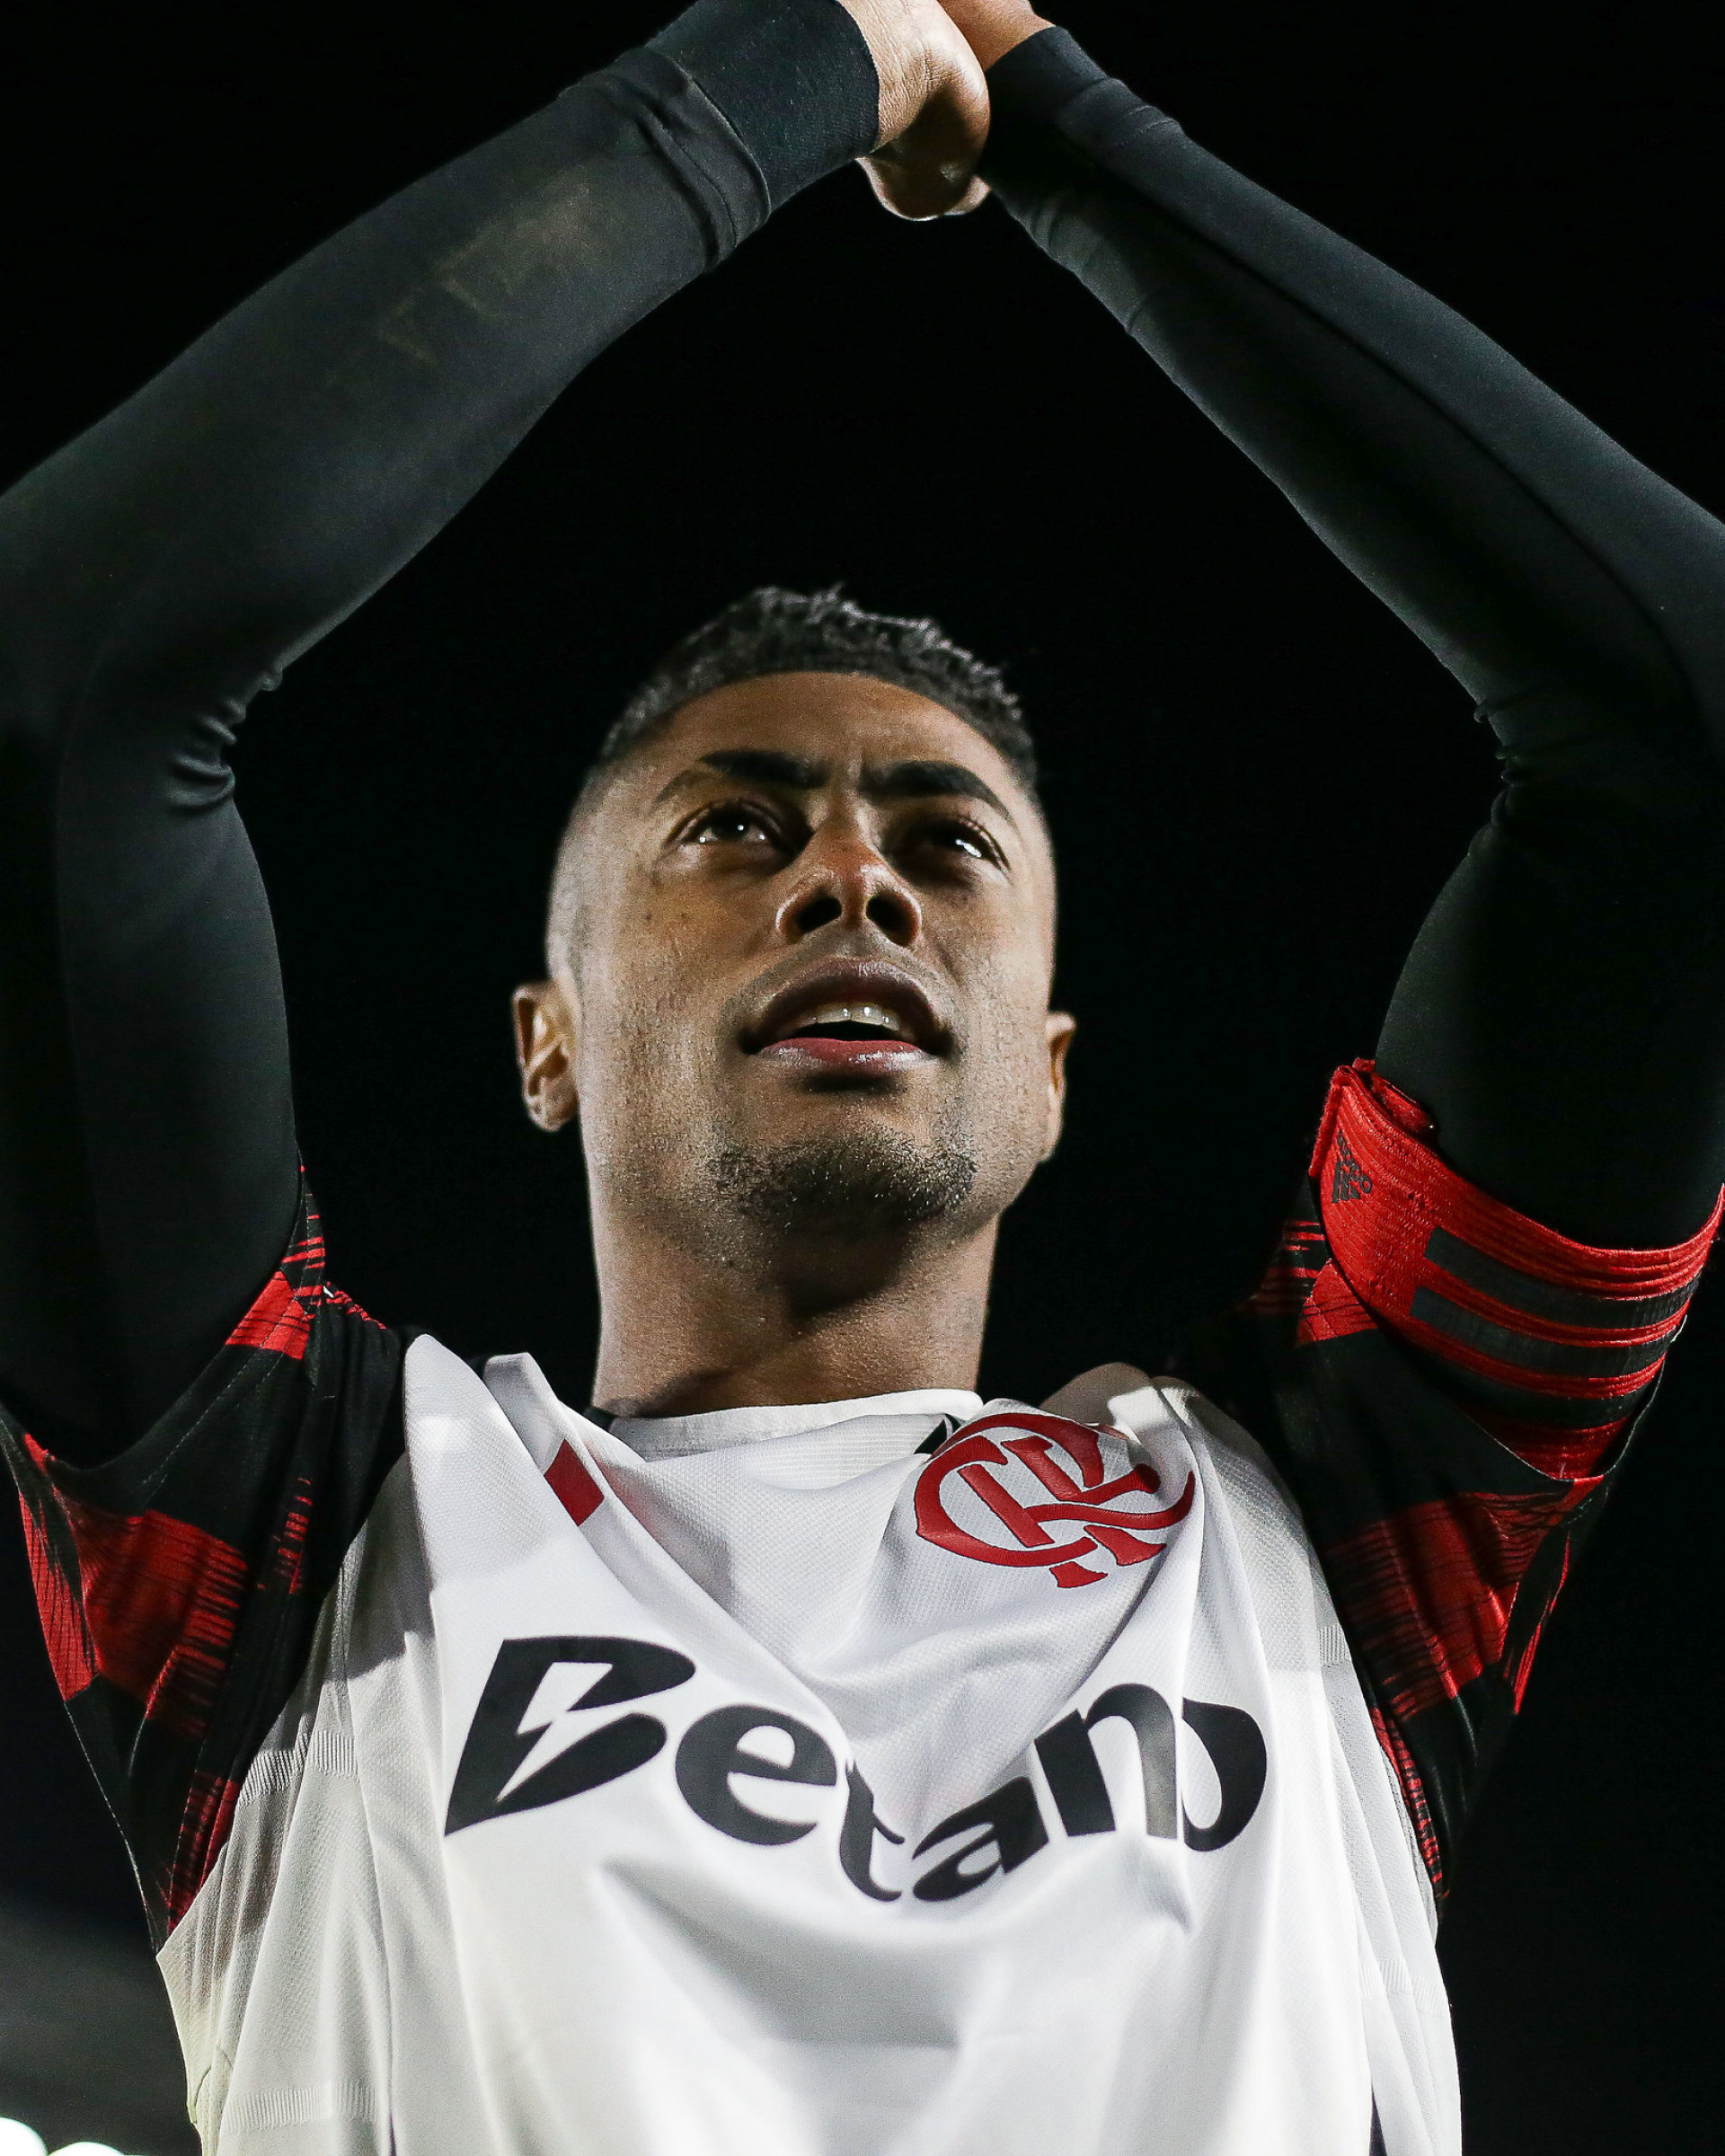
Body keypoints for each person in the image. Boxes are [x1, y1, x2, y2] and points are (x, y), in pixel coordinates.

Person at [3, 0, 1722, 2146]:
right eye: (735, 827)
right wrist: (796, 59)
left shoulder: (1336, 1526)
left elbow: (1683, 730)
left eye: (949, 845)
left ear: (1052, 1071)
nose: (854, 881)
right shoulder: (300, 1537)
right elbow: (58, 696)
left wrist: (1066, 130)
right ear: (546, 1040)